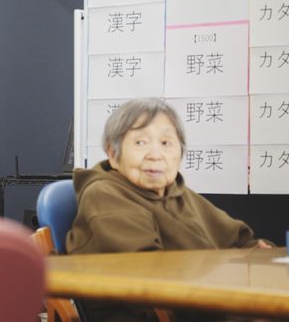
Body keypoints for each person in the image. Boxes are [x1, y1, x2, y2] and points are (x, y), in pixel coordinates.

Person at [66, 98, 271, 321]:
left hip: (201, 301)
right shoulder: (104, 194)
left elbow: (241, 240)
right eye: (140, 142)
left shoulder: (176, 192)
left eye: (166, 143)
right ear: (113, 155)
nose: (155, 154)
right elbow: (150, 271)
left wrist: (259, 253)